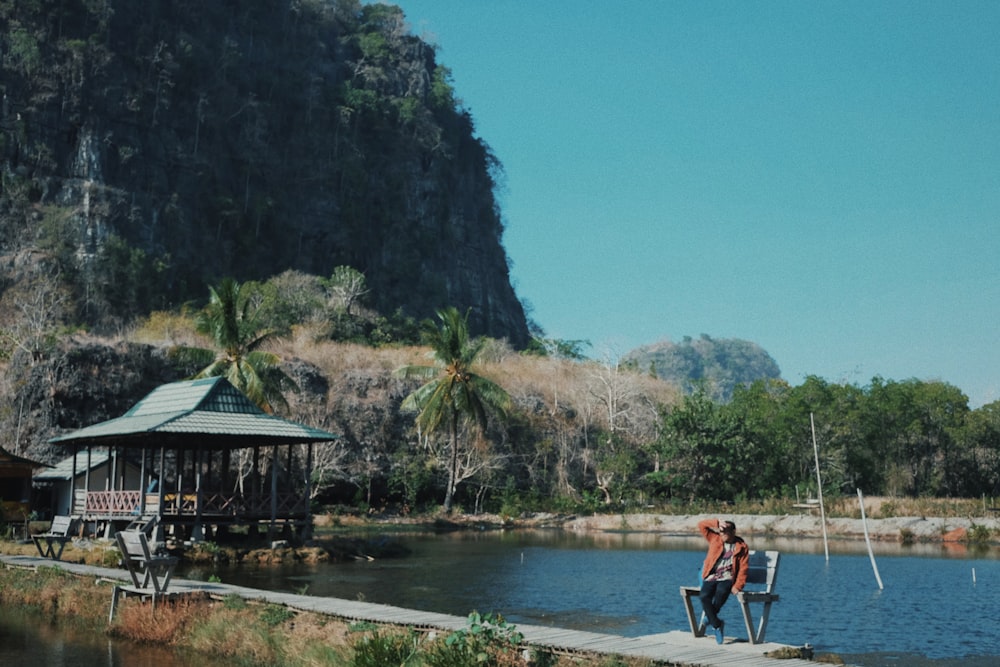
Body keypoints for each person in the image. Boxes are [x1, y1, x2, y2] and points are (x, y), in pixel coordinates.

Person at [697, 518, 749, 644]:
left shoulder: (741, 547)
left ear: (733, 531)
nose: (723, 534)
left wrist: (738, 585)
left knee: (722, 591)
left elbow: (743, 568)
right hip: (712, 575)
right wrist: (716, 523)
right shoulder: (714, 539)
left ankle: (711, 619)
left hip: (727, 577)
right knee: (704, 596)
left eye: (726, 531)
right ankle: (717, 623)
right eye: (721, 531)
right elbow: (701, 525)